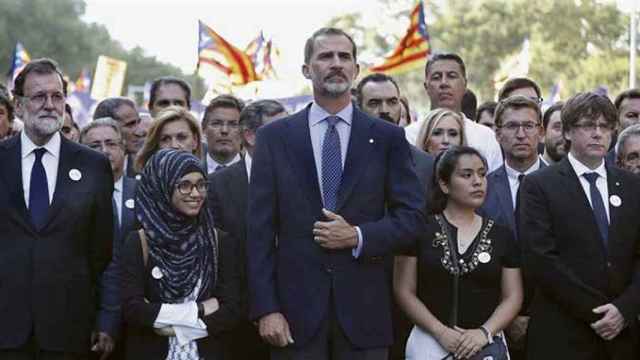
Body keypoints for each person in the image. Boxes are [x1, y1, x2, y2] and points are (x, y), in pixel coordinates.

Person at [247, 27, 425, 359]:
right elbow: (259, 232)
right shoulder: (274, 138)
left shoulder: (387, 138)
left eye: (345, 56)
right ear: (306, 69)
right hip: (293, 318)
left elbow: (412, 218)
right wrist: (266, 308)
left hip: (365, 315)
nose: (336, 63)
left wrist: (357, 236)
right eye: (325, 56)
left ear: (356, 70)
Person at [0, 58, 113, 359]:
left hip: (69, 330)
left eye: (57, 96)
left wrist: (105, 319)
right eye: (39, 96)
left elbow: (103, 252)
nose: (50, 105)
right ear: (20, 105)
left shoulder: (93, 166)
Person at [518, 92, 640, 359]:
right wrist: (600, 311)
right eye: (588, 125)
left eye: (605, 126)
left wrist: (625, 309)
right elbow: (540, 258)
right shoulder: (539, 185)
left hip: (622, 336)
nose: (598, 133)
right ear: (569, 132)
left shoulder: (632, 186)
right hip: (563, 333)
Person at [394, 146, 523, 360]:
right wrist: (440, 331)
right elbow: (403, 290)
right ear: (444, 184)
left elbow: (513, 296)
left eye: (482, 174)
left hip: (486, 345)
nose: (477, 181)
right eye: (467, 175)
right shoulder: (419, 230)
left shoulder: (502, 235)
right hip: (429, 342)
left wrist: (483, 333)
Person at [121, 149, 243, 359]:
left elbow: (231, 309)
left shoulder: (218, 241)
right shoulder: (139, 242)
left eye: (201, 184)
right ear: (162, 186)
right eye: (184, 185)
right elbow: (133, 309)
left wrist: (177, 328)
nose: (196, 194)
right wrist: (201, 308)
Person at [208, 99, 287, 360]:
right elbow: (217, 257)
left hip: (297, 317)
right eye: (280, 130)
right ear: (251, 136)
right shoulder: (218, 185)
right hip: (238, 323)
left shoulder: (304, 179)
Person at [80, 118, 139, 359]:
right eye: (94, 145)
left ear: (124, 148)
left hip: (137, 314)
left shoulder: (144, 191)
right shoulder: (74, 196)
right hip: (88, 314)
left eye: (110, 143)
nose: (104, 151)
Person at [405, 53, 503, 172]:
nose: (444, 83)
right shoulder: (408, 136)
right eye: (436, 77)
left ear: (465, 85)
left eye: (451, 76)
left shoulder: (485, 137)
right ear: (426, 86)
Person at [355, 72, 435, 192]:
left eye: (392, 102)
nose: (384, 110)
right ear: (359, 109)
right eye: (374, 103)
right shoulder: (343, 158)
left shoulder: (425, 164)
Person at [135, 106, 202, 172]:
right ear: (156, 146)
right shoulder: (140, 182)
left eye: (181, 137)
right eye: (165, 139)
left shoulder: (209, 181)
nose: (174, 145)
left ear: (195, 141)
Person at [94, 97, 142, 177]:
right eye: (130, 125)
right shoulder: (85, 167)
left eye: (138, 123)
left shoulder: (145, 168)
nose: (139, 132)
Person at [201, 94, 245, 174]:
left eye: (233, 124)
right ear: (203, 129)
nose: (224, 130)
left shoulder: (255, 173)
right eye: (216, 123)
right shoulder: (190, 171)